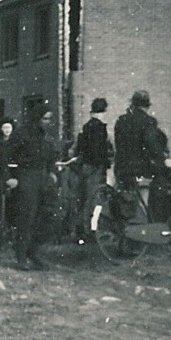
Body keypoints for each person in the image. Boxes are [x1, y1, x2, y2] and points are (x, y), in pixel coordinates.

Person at [7, 104, 59, 270]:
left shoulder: (47, 137)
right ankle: (21, 256)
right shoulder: (22, 133)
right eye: (45, 119)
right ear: (37, 118)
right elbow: (6, 155)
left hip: (43, 179)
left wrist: (52, 172)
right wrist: (9, 177)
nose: (48, 122)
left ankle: (34, 252)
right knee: (26, 218)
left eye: (50, 119)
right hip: (26, 177)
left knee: (46, 217)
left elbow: (51, 158)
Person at [113, 90, 171, 220]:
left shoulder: (121, 121)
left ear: (133, 104)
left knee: (126, 200)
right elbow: (152, 144)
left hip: (122, 169)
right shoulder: (148, 121)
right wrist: (164, 160)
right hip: (141, 169)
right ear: (147, 106)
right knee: (149, 195)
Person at [73, 98, 113, 239]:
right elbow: (99, 151)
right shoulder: (100, 127)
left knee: (85, 198)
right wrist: (105, 163)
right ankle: (90, 231)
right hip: (96, 168)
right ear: (103, 111)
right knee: (94, 199)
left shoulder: (86, 126)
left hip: (86, 166)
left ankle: (82, 230)